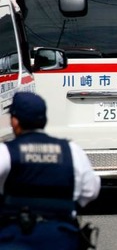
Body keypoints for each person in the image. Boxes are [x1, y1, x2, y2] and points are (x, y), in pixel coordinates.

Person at [0, 92, 101, 249]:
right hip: (61, 237)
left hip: (15, 237)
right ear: (44, 120)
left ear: (15, 121)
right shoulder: (71, 150)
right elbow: (90, 191)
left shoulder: (6, 152)